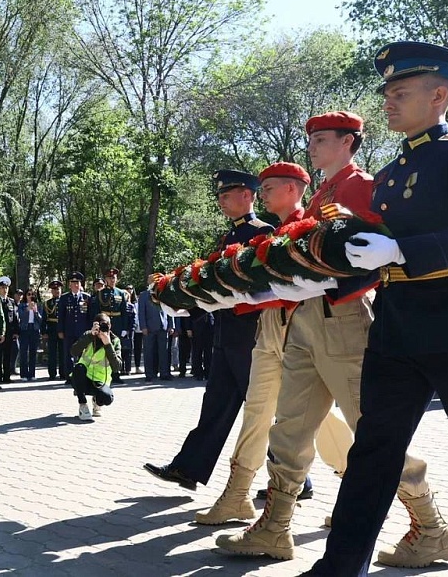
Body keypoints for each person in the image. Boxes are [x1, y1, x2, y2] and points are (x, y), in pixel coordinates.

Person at [218, 110, 448, 565]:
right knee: (289, 427)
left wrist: (323, 283)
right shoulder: (325, 192)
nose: (313, 145)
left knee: (373, 432)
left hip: (343, 320)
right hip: (308, 320)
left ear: (349, 142)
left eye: (322, 139)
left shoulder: (358, 185)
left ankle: (431, 527)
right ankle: (275, 526)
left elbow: (369, 256)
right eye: (312, 138)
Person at [301, 42, 448, 575]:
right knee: (371, 458)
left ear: (439, 96)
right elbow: (378, 250)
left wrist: (403, 251)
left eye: (400, 92)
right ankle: (337, 568)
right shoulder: (393, 172)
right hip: (398, 330)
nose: (389, 102)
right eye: (388, 93)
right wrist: (330, 268)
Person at [194, 162, 349, 526]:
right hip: (271, 331)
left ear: (294, 189)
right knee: (258, 413)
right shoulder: (274, 231)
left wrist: (229, 295)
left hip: (308, 329)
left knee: (322, 417)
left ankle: (363, 487)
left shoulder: (309, 225)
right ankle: (237, 495)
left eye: (269, 188)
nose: (261, 195)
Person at [144, 170, 273, 489]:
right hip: (226, 332)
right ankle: (188, 469)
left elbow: (262, 284)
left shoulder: (263, 231)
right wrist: (183, 302)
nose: (220, 202)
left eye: (226, 195)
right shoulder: (227, 237)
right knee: (215, 406)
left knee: (260, 412)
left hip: (250, 335)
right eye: (219, 196)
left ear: (248, 195)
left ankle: (293, 480)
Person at [70, 313, 122, 421]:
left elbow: (117, 367)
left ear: (110, 326)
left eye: (105, 326)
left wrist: (108, 344)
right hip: (84, 377)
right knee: (78, 368)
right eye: (100, 326)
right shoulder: (89, 335)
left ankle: (97, 402)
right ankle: (83, 404)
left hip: (100, 381)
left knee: (108, 398)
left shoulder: (114, 341)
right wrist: (90, 336)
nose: (102, 329)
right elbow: (73, 351)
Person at [91, 267, 134, 385]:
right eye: (110, 278)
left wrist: (125, 328)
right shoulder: (100, 293)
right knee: (103, 349)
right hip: (105, 325)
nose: (112, 280)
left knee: (116, 350)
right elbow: (97, 311)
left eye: (114, 277)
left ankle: (116, 374)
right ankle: (102, 373)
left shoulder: (120, 293)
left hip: (118, 325)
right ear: (106, 279)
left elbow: (124, 312)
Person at [57, 272, 92, 381]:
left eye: (77, 282)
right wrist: (60, 330)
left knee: (84, 355)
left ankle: (83, 377)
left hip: (83, 331)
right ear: (69, 285)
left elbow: (90, 316)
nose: (76, 285)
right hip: (69, 331)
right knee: (68, 355)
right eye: (73, 283)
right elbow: (61, 316)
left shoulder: (87, 297)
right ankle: (69, 377)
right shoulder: (64, 298)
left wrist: (90, 331)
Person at [137, 293, 170, 381]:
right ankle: (149, 374)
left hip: (163, 326)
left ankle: (164, 373)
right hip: (149, 327)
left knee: (164, 352)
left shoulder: (164, 292)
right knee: (148, 352)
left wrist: (172, 325)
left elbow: (170, 308)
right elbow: (141, 312)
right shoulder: (144, 295)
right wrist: (143, 326)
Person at [16, 289, 43, 381]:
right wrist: (27, 309)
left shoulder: (38, 306)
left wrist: (35, 312)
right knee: (23, 352)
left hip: (34, 330)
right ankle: (23, 374)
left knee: (33, 352)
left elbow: (41, 320)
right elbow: (21, 317)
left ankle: (32, 374)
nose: (30, 296)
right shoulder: (22, 306)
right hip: (24, 330)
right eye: (28, 294)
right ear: (25, 296)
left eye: (32, 294)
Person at [0, 277, 19, 384]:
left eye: (6, 288)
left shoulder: (12, 302)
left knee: (7, 356)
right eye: (2, 288)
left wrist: (16, 332)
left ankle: (6, 377)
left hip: (9, 333)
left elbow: (15, 318)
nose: (4, 290)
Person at [42, 280, 64, 379]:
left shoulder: (65, 300)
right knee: (52, 352)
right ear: (51, 291)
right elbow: (44, 319)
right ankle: (52, 373)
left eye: (58, 289)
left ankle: (63, 373)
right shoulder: (48, 303)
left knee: (63, 351)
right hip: (52, 329)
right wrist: (44, 331)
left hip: (62, 329)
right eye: (54, 289)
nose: (57, 291)